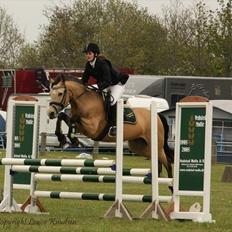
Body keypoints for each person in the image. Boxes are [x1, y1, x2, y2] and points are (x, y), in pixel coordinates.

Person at [82, 43, 129, 135]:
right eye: (86, 54)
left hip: (116, 84)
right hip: (104, 85)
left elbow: (108, 81)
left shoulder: (103, 63)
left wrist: (95, 86)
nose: (87, 55)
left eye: (89, 53)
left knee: (111, 101)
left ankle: (114, 125)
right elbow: (84, 80)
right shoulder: (88, 65)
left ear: (95, 54)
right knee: (98, 99)